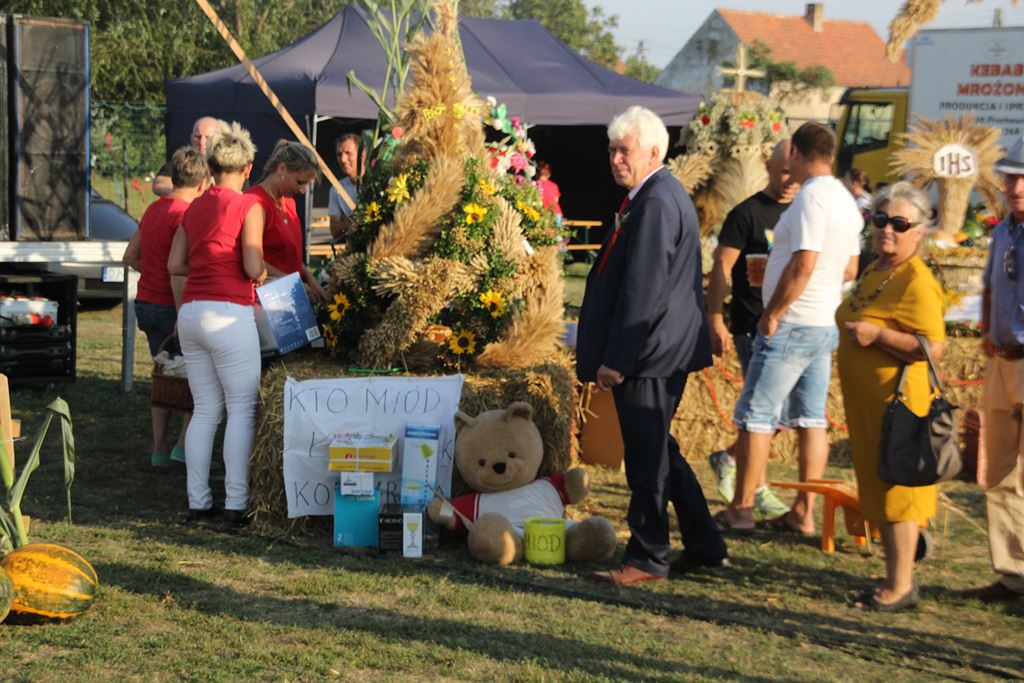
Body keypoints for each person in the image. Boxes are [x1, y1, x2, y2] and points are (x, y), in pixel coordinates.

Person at [577, 106, 727, 584]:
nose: (615, 159)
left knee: (646, 459)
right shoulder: (651, 196)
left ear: (655, 152)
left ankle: (647, 556)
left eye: (625, 151)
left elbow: (645, 287)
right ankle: (703, 542)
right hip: (657, 347)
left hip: (651, 353)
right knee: (658, 448)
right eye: (611, 150)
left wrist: (617, 359)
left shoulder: (659, 201)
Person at [721, 123, 861, 535]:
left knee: (756, 417)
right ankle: (804, 510)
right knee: (811, 418)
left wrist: (774, 311)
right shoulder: (846, 201)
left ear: (796, 154)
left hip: (794, 322)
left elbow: (804, 263)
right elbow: (850, 268)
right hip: (824, 322)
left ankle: (742, 508)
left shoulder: (809, 201)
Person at [836, 182, 944, 611]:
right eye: (881, 220)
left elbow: (932, 347)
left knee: (900, 492)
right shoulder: (878, 268)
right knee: (880, 488)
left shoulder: (916, 279)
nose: (888, 230)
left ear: (918, 232)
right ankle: (894, 573)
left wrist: (877, 335)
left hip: (900, 404)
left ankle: (900, 587)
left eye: (900, 224)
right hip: (870, 406)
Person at [167, 122, 267, 525]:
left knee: (206, 410)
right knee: (241, 409)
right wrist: (258, 273)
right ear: (247, 169)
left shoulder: (194, 206)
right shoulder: (249, 206)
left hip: (191, 312)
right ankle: (236, 504)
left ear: (210, 167)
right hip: (229, 314)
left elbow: (175, 264)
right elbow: (251, 263)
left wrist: (207, 263)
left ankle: (198, 502)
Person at [706, 140, 798, 519]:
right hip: (752, 326)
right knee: (765, 411)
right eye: (784, 170)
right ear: (769, 166)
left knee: (782, 414)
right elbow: (721, 266)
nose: (791, 180)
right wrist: (715, 318)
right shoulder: (747, 214)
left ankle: (729, 459)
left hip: (794, 327)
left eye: (797, 171)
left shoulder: (805, 213)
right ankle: (756, 487)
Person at [961, 137, 1024, 603]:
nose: (1014, 185)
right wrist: (986, 329)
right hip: (1002, 362)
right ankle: (1012, 574)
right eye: (1009, 176)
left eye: (1022, 178)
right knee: (999, 473)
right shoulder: (1003, 231)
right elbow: (987, 287)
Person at [123, 147, 206, 468]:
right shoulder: (187, 215)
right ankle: (183, 446)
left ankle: (159, 448)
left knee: (161, 375)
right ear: (202, 184)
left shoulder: (155, 209)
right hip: (173, 306)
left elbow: (129, 257)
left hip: (145, 303)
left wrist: (153, 273)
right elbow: (179, 269)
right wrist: (181, 310)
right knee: (191, 378)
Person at [246, 141, 328, 304]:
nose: (303, 190)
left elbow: (292, 255)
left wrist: (309, 278)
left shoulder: (288, 202)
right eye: (299, 182)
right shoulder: (255, 203)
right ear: (281, 169)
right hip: (268, 300)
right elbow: (252, 261)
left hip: (291, 295)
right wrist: (293, 282)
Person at [152, 117, 225, 196]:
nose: (201, 142)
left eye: (208, 137)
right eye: (198, 137)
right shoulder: (183, 162)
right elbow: (159, 184)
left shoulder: (226, 164)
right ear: (191, 137)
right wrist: (187, 193)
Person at [327, 133, 360, 240]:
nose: (343, 159)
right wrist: (359, 220)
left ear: (361, 154)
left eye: (348, 153)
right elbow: (335, 230)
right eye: (339, 154)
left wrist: (345, 221)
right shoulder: (336, 189)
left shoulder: (376, 182)